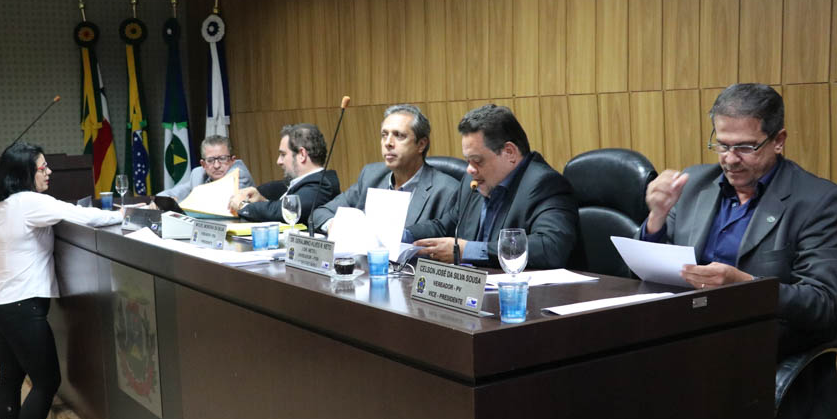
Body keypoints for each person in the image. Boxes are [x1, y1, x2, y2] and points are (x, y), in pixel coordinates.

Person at [639, 83, 837, 355]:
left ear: (778, 141)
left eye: (744, 147)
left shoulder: (818, 201)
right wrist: (656, 218)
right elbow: (645, 275)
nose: (730, 159)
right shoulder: (694, 184)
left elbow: (821, 304)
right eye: (722, 145)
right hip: (682, 332)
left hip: (756, 345)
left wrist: (744, 286)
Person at [0, 142, 123, 419]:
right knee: (47, 381)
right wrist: (124, 215)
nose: (49, 172)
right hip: (22, 306)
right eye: (42, 167)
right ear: (24, 173)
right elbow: (82, 215)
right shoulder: (30, 202)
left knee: (9, 377)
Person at [406, 104, 579, 269]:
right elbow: (444, 227)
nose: (470, 169)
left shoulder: (545, 184)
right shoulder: (472, 181)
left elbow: (550, 247)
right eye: (468, 160)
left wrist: (468, 251)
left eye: (477, 160)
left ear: (509, 152)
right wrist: (404, 236)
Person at [310, 104, 459, 232]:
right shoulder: (371, 176)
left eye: (399, 135)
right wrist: (333, 225)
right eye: (384, 135)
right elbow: (321, 213)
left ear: (421, 144)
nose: (388, 143)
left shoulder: (447, 191)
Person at [228, 123, 341, 223]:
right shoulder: (307, 183)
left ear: (302, 155)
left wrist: (243, 206)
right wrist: (263, 201)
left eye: (283, 154)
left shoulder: (322, 185)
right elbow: (280, 210)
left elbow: (287, 211)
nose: (279, 161)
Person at [157, 135, 254, 200]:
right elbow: (169, 195)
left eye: (222, 159)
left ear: (232, 160)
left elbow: (218, 202)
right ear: (203, 164)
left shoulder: (239, 174)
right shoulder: (198, 175)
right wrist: (160, 202)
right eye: (210, 160)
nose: (216, 165)